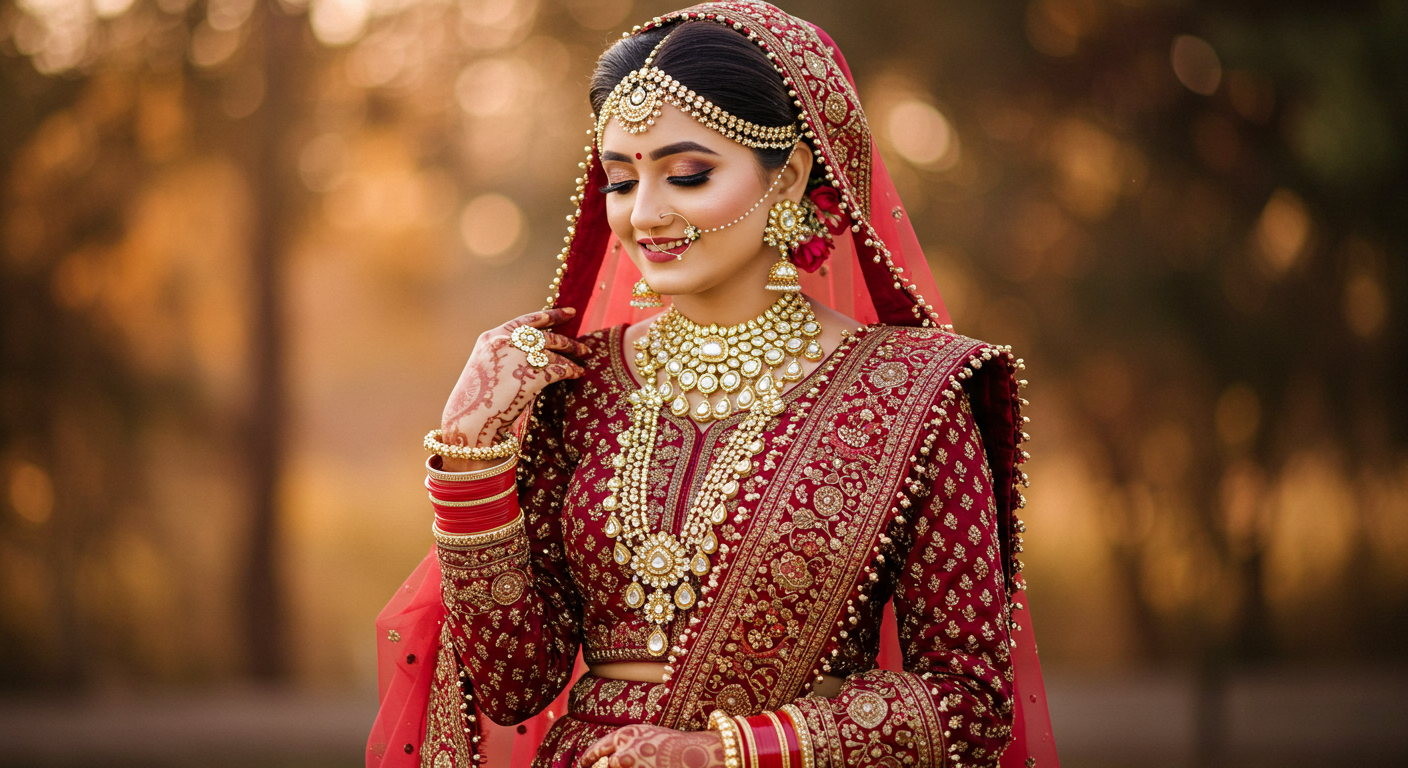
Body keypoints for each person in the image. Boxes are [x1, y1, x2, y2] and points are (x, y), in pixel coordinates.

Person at [367, 3, 1058, 767]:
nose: (646, 215)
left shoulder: (915, 391)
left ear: (789, 176)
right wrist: (471, 453)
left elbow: (969, 701)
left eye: (687, 174)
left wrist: (723, 753)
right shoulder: (579, 384)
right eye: (620, 181)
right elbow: (512, 684)